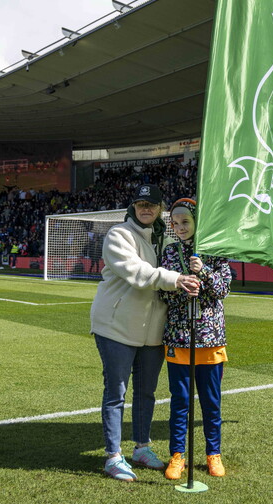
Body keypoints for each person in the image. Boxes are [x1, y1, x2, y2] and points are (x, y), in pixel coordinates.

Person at [89, 185, 200, 482]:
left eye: (151, 204)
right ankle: (113, 456)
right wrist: (178, 279)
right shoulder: (118, 235)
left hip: (153, 332)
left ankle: (141, 448)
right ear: (133, 207)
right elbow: (138, 273)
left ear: (160, 206)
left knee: (146, 393)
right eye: (140, 204)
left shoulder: (166, 237)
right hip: (115, 327)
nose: (146, 209)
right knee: (117, 392)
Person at [159, 198, 232, 480]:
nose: (179, 228)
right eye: (175, 223)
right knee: (180, 401)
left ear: (197, 221)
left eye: (185, 222)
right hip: (178, 336)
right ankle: (177, 456)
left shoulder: (216, 251)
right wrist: (179, 285)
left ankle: (213, 454)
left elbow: (223, 290)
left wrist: (203, 271)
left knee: (211, 403)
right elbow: (161, 292)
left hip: (210, 337)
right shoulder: (169, 252)